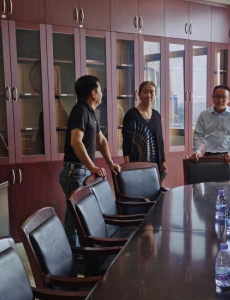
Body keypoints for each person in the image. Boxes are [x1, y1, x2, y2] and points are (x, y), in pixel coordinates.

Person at [60, 75, 121, 246]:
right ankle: (75, 255)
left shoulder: (90, 112)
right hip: (75, 171)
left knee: (82, 217)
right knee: (75, 218)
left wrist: (110, 163)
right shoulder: (80, 110)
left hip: (82, 170)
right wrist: (93, 167)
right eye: (100, 90)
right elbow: (76, 142)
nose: (102, 94)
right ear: (93, 93)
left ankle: (82, 250)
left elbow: (101, 140)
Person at [122, 81, 167, 181]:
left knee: (156, 190)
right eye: (145, 92)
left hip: (155, 166)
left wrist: (163, 161)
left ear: (155, 95)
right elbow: (126, 142)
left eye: (151, 92)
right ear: (139, 94)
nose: (148, 95)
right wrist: (127, 164)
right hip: (136, 165)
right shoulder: (131, 115)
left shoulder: (157, 115)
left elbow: (160, 141)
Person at [190, 85, 230, 165]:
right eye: (217, 96)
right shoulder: (204, 115)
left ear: (229, 99)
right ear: (212, 97)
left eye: (224, 97)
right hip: (208, 156)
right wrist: (197, 151)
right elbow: (198, 135)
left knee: (227, 174)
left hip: (228, 157)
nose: (220, 100)